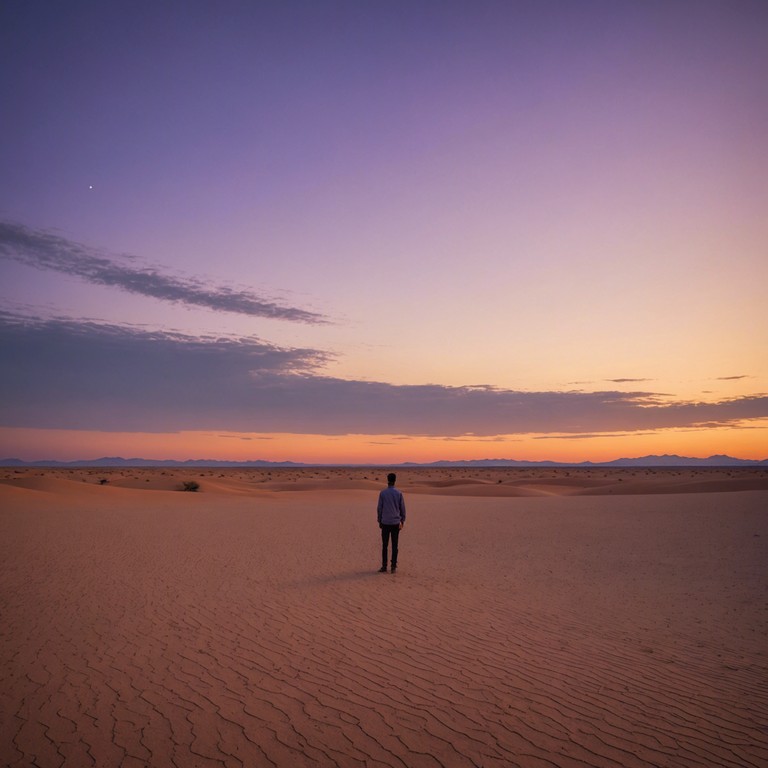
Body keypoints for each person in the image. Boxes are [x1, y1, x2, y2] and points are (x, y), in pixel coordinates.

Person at [377, 472, 406, 573]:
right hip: (395, 523)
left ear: (387, 480)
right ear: (395, 480)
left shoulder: (383, 493)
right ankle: (393, 566)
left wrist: (379, 520)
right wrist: (402, 520)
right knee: (395, 545)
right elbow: (402, 508)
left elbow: (379, 508)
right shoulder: (398, 493)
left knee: (385, 545)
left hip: (385, 522)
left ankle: (384, 566)